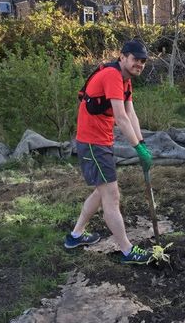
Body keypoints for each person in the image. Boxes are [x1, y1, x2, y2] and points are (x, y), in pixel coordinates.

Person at [64, 39, 154, 265]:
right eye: (135, 59)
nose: (139, 64)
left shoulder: (126, 80)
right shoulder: (113, 75)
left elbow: (130, 114)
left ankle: (75, 236)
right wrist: (136, 149)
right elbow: (120, 117)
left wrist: (141, 143)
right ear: (122, 57)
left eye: (143, 61)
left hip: (102, 142)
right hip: (93, 144)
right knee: (111, 197)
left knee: (100, 192)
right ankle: (127, 251)